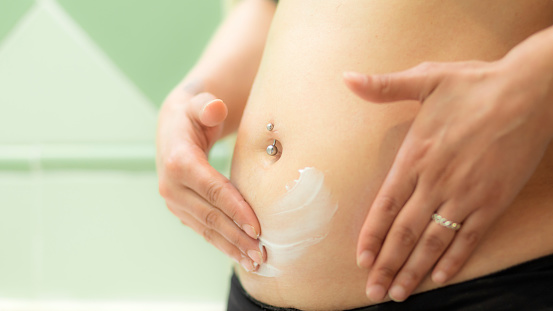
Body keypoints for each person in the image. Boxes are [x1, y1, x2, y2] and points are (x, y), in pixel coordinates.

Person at [156, 0, 553, 309]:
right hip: (251, 287)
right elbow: (268, 10)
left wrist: (532, 85)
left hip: (482, 280)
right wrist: (190, 96)